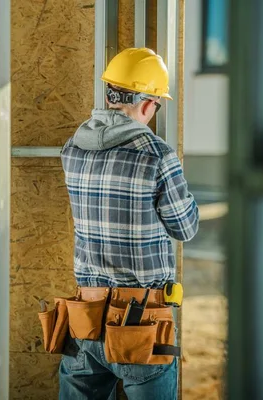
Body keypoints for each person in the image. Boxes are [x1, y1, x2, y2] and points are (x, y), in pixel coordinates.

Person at [59, 47, 200, 399]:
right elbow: (185, 228)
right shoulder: (157, 155)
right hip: (142, 320)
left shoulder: (73, 149)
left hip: (85, 317)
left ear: (110, 94)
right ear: (149, 103)